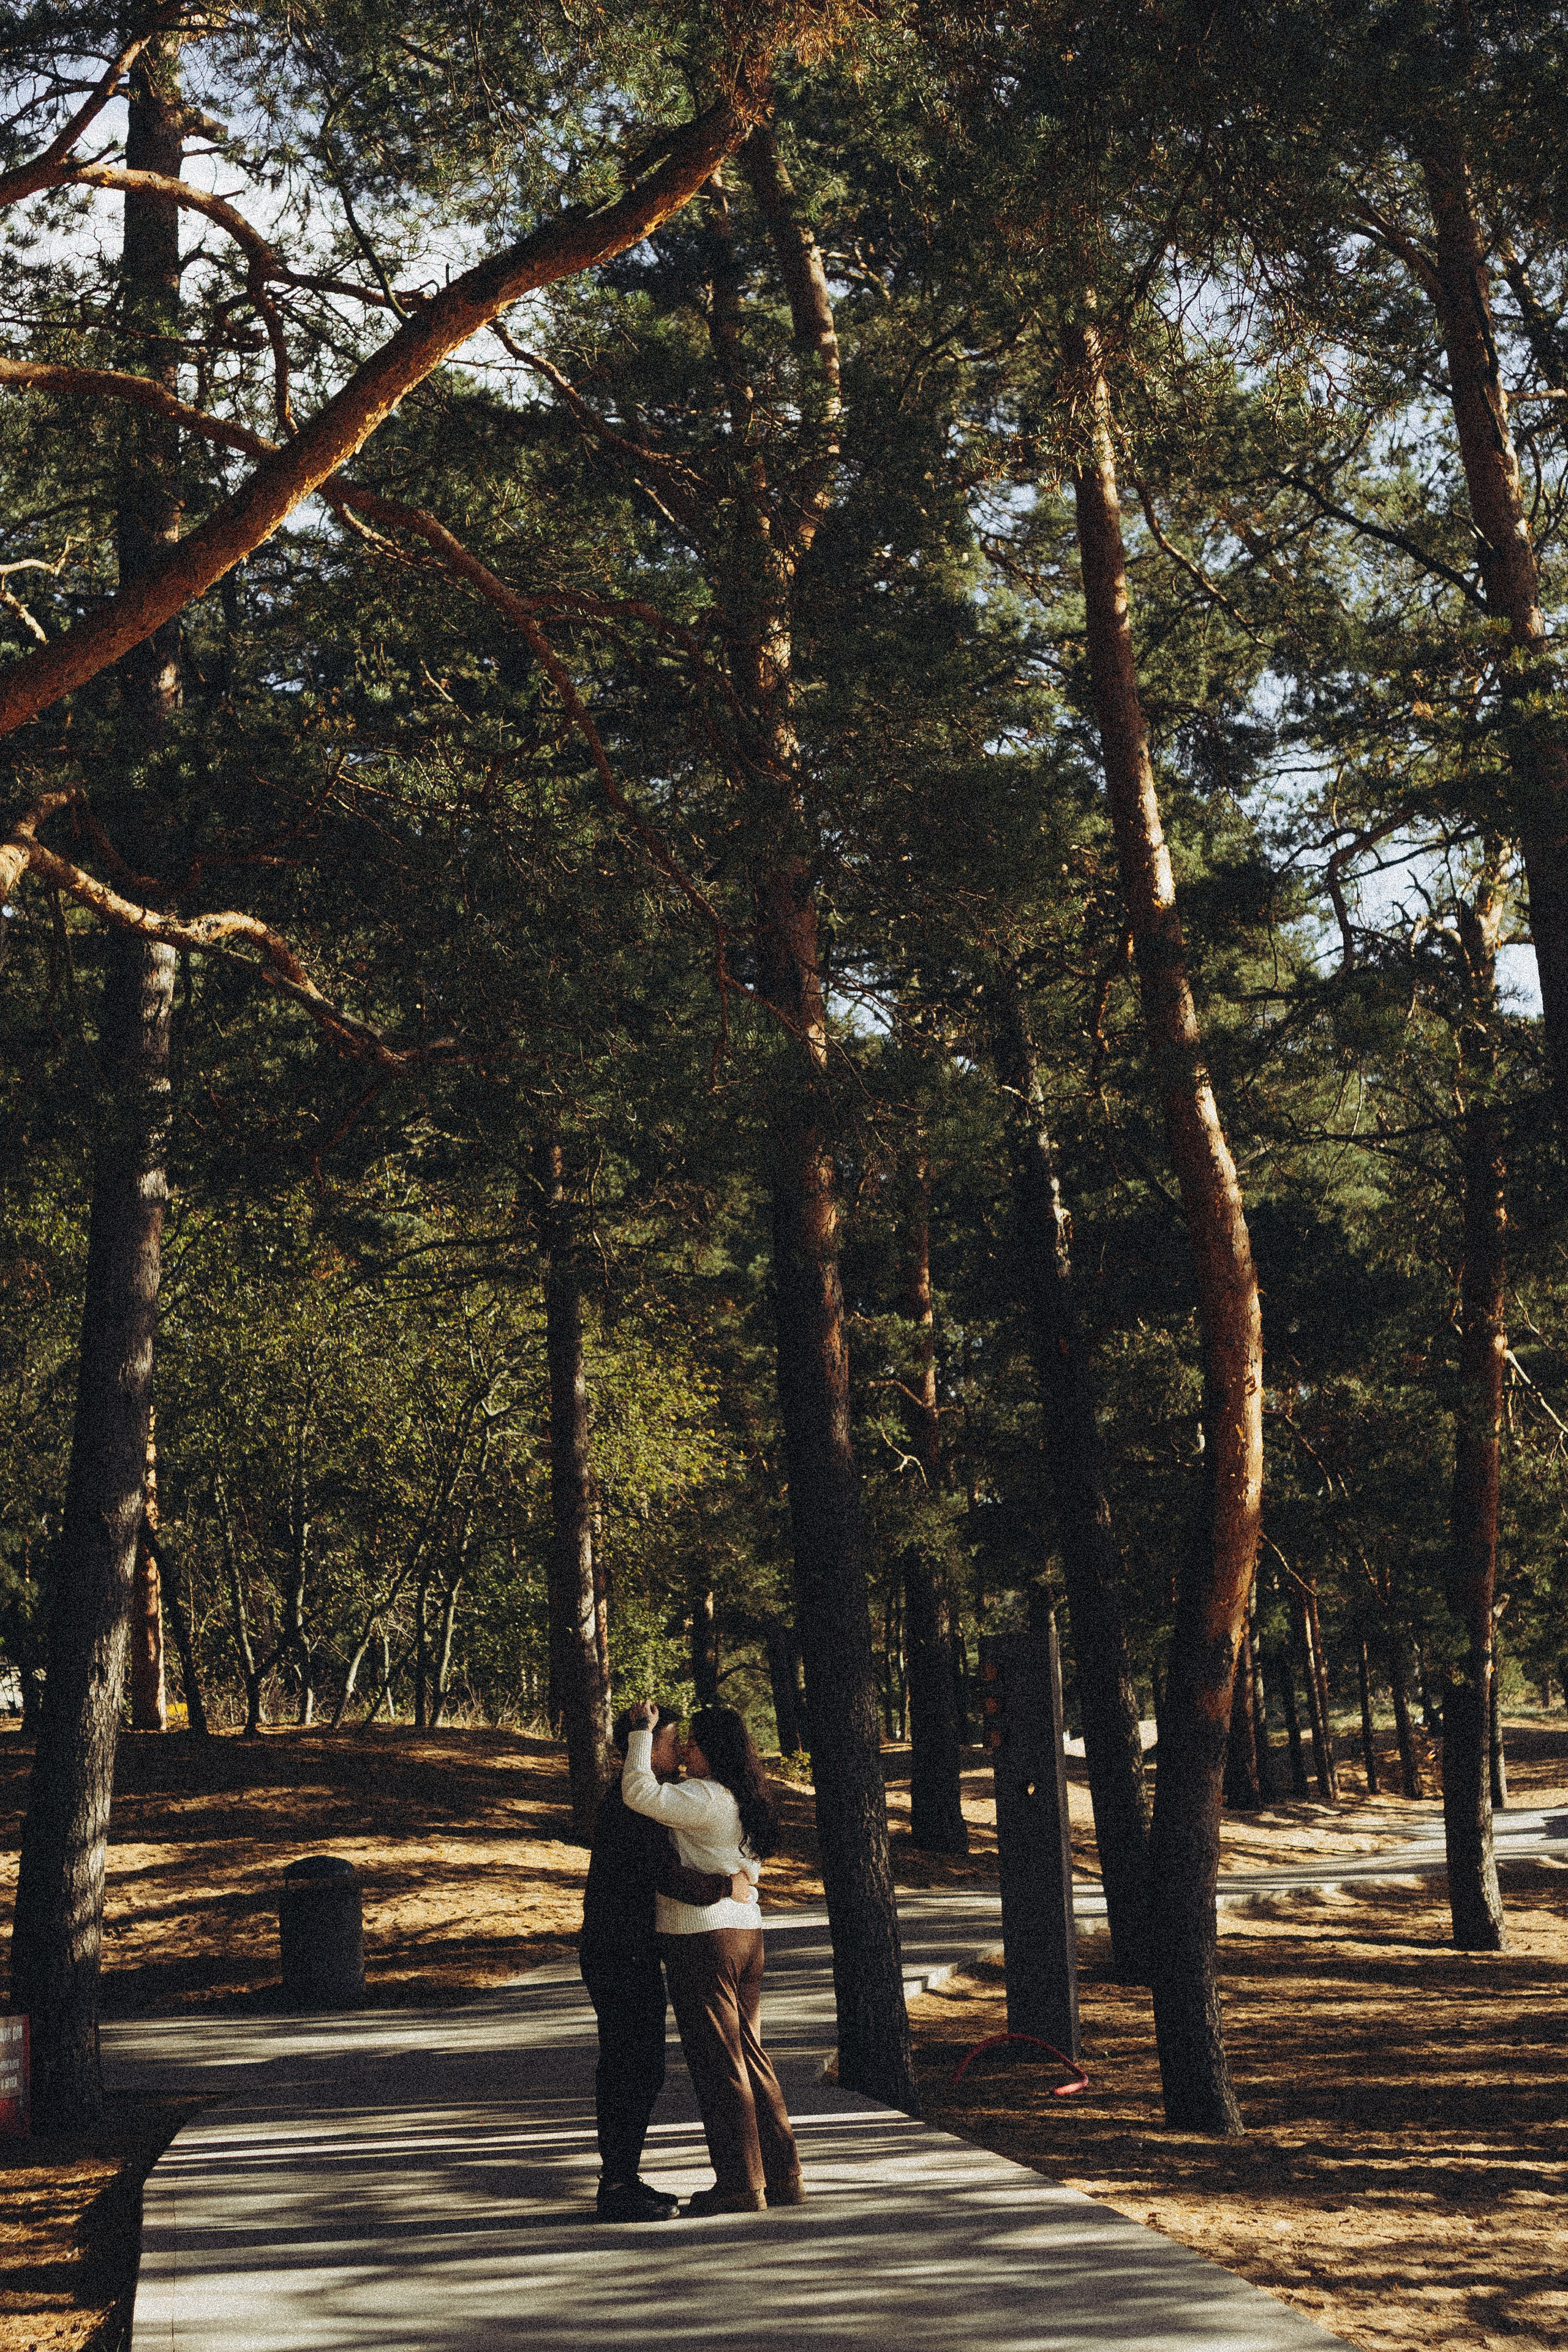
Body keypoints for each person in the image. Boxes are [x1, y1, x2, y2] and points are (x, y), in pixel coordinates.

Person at [622, 1697, 803, 2215]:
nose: (684, 1752)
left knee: (719, 2064)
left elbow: (638, 1791)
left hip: (704, 1939)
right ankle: (782, 2174)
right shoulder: (745, 1797)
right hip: (747, 1936)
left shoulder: (705, 1797)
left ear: (716, 1751)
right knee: (750, 2055)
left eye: (693, 1744)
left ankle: (741, 2185)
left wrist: (641, 1733)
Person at [578, 1703, 756, 2222]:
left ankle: (623, 2178)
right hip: (618, 1949)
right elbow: (667, 1875)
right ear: (641, 1745)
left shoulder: (645, 1801)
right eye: (671, 1742)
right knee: (630, 2067)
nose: (679, 1752)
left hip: (629, 1948)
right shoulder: (633, 1803)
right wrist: (729, 1885)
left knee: (639, 2066)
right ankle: (616, 2185)